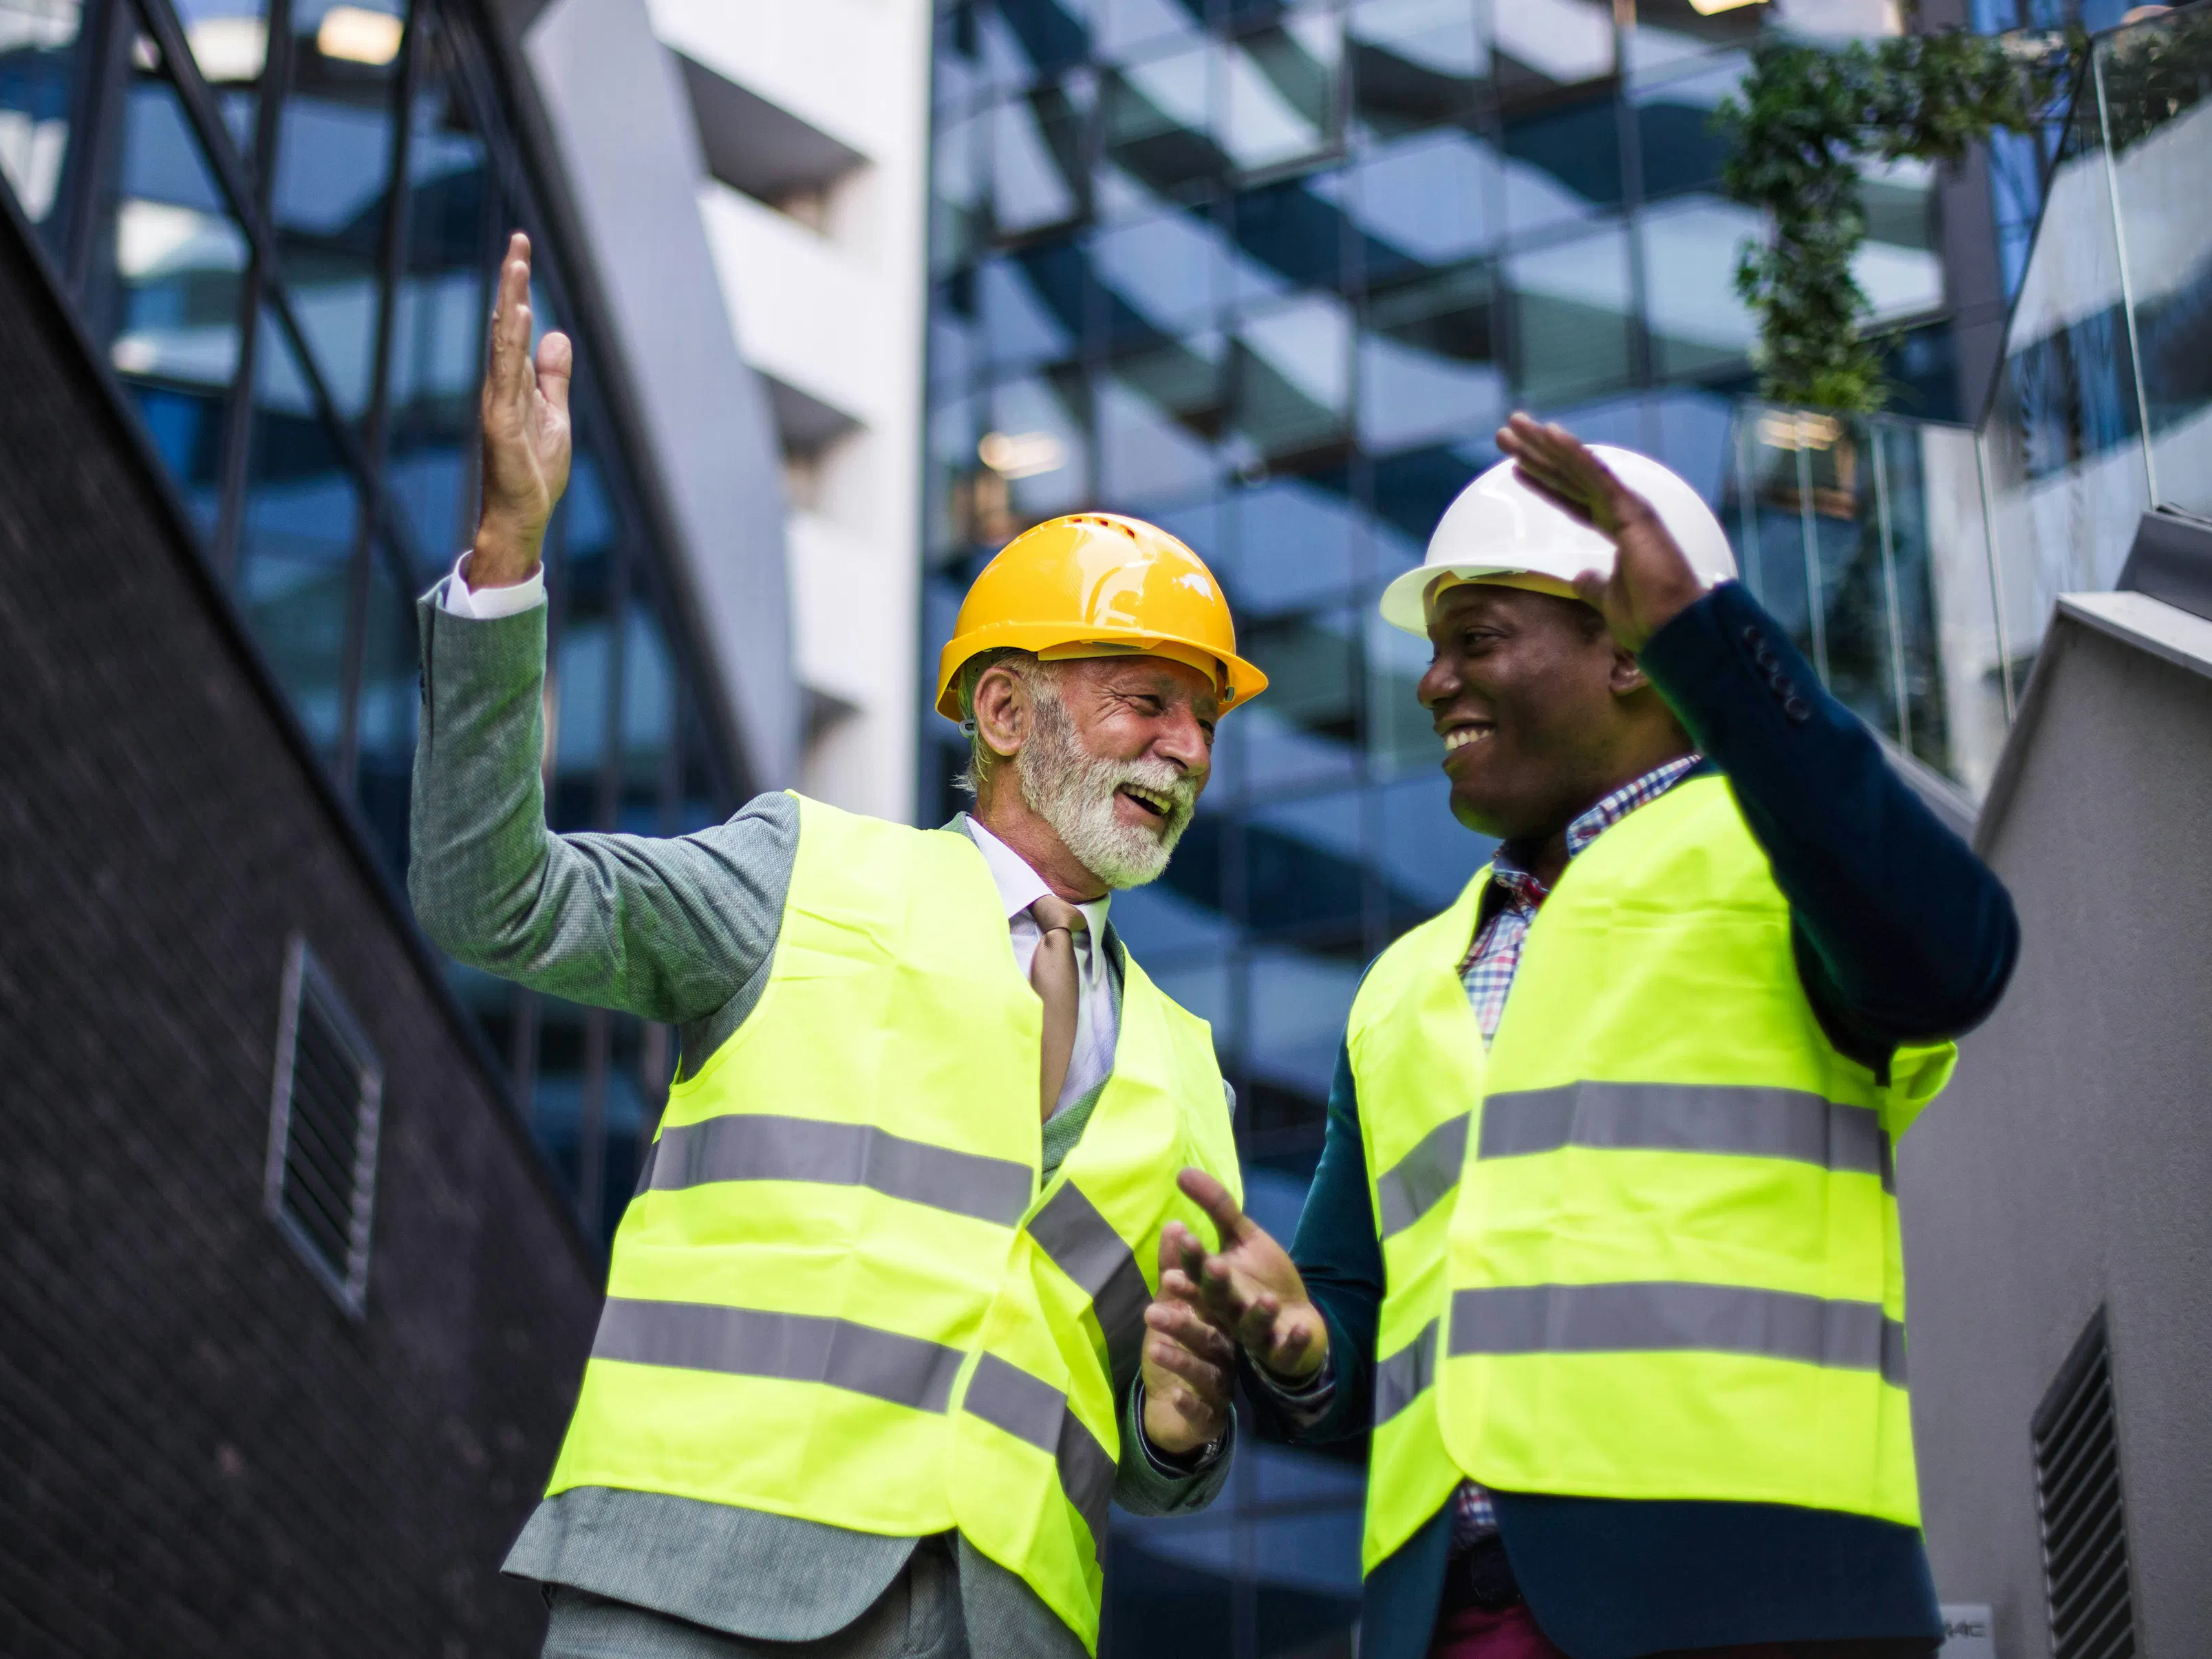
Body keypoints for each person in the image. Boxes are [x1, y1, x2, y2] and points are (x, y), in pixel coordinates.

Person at [411, 233, 1268, 1658]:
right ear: (1004, 712)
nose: (1184, 748)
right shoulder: (796, 872)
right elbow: (489, 898)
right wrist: (507, 561)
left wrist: (1185, 1426)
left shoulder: (1188, 1066)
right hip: (695, 1583)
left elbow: (1154, 1426)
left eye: (1205, 722)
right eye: (1143, 701)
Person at [1163, 415, 2021, 1659]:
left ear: (1628, 650)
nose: (1432, 680)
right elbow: (1355, 1326)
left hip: (1756, 1598)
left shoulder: (1785, 861)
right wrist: (1296, 1345)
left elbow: (1960, 951)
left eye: (1478, 640)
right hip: (1446, 1619)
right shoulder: (1404, 984)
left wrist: (1718, 648)